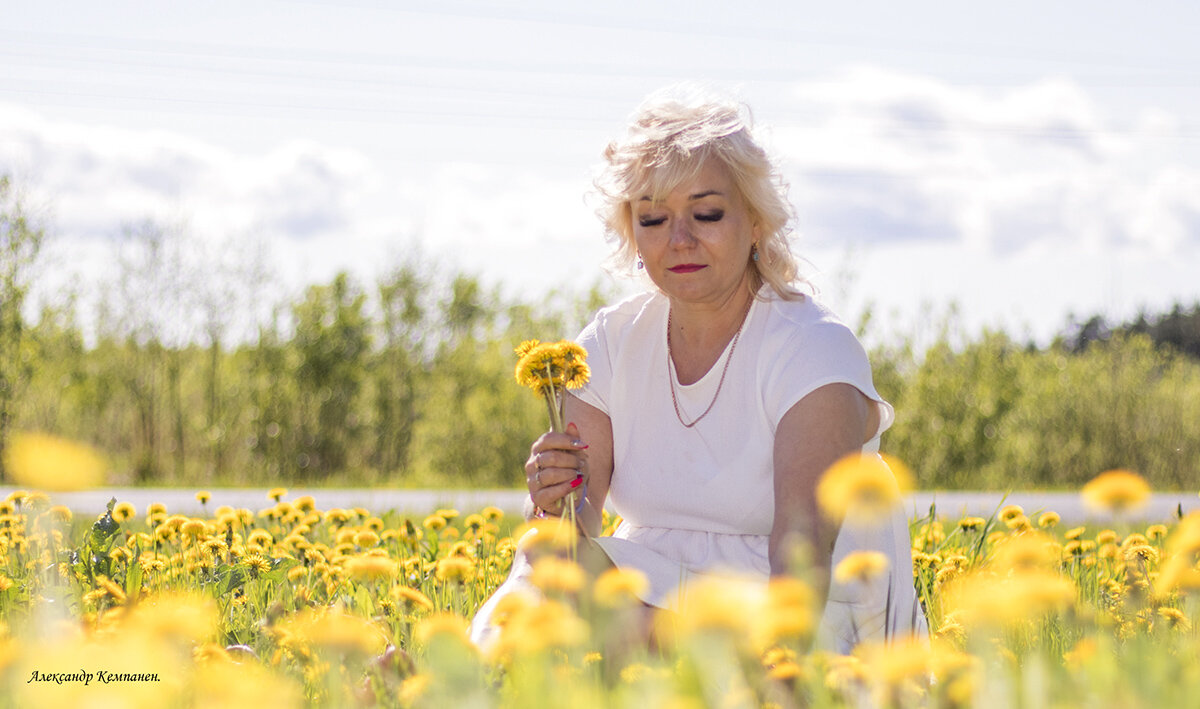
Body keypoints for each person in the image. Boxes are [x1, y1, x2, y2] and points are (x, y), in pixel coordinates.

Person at [470, 85, 927, 654]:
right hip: (645, 584)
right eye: (654, 219)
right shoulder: (610, 342)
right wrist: (554, 496)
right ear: (630, 232)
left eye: (706, 213)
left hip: (793, 608)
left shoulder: (814, 351)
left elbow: (801, 560)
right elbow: (574, 524)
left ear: (755, 221)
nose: (680, 239)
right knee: (544, 561)